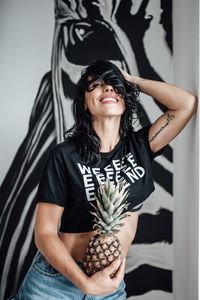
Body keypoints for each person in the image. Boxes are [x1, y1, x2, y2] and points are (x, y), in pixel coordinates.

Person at [11, 60, 197, 300]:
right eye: (97, 85)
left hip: (110, 282)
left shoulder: (141, 146)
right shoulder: (64, 155)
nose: (107, 88)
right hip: (56, 281)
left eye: (113, 85)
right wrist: (85, 284)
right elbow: (45, 233)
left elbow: (186, 104)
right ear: (85, 104)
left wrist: (132, 81)